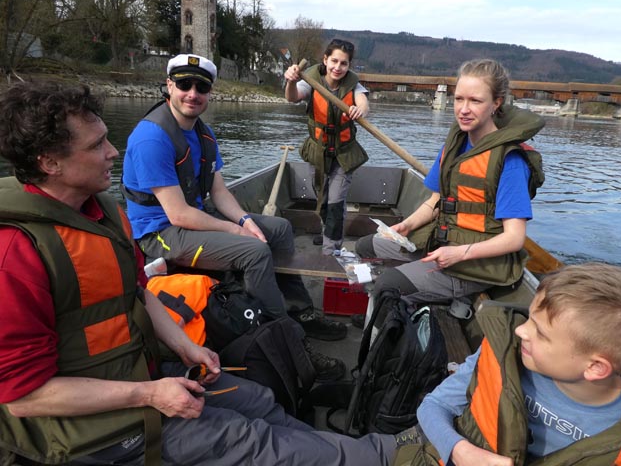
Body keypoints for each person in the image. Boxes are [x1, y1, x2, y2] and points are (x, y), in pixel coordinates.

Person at [0, 81, 403, 465]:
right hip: (95, 427)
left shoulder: (101, 212)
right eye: (96, 145)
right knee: (250, 440)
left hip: (145, 372)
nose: (113, 152)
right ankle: (394, 456)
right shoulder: (17, 255)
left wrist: (185, 347)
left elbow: (140, 294)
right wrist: (150, 394)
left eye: (107, 138)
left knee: (260, 401)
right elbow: (25, 397)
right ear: (50, 163)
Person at [121, 54, 346, 380]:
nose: (193, 93)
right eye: (184, 84)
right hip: (160, 234)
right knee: (253, 251)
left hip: (193, 218)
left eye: (202, 87)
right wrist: (235, 232)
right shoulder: (151, 138)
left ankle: (301, 313)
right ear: (169, 86)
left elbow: (220, 193)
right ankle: (285, 339)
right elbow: (178, 213)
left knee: (280, 229)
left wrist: (244, 221)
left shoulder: (204, 134)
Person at [356, 59, 545, 322]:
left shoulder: (510, 161)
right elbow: (436, 200)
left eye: (475, 101)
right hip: (442, 243)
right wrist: (406, 226)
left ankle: (393, 309)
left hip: (475, 265)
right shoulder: (455, 145)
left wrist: (459, 253)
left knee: (388, 285)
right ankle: (385, 308)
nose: (464, 110)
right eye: (459, 99)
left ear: (497, 103)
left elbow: (514, 239)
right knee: (365, 246)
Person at [396, 262, 621, 465]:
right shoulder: (506, 349)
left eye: (541, 333)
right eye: (529, 319)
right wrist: (459, 450)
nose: (521, 330)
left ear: (595, 368)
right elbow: (434, 406)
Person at [284, 38, 370, 255]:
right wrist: (291, 81)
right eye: (334, 61)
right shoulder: (310, 80)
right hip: (318, 152)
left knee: (335, 202)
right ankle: (327, 232)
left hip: (343, 154)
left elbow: (363, 103)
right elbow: (292, 97)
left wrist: (360, 110)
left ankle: (331, 250)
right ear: (325, 59)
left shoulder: (354, 84)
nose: (338, 67)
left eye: (344, 63)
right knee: (322, 200)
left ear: (349, 65)